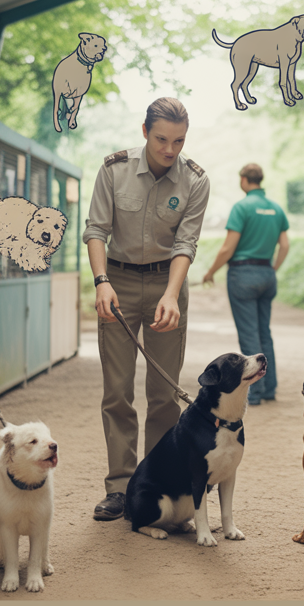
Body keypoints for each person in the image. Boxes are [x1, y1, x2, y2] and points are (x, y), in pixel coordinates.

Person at [83, 97, 210, 521]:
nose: (169, 150)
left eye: (178, 141)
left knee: (163, 394)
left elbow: (185, 243)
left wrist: (171, 295)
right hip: (116, 281)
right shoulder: (114, 169)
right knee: (117, 391)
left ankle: (154, 482)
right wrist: (101, 282)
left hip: (165, 282)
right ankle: (119, 487)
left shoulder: (195, 179)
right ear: (144, 132)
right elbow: (96, 229)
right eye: (161, 139)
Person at [202, 163, 290, 406]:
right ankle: (270, 388)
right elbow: (284, 245)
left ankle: (257, 392)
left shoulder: (241, 207)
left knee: (249, 334)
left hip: (242, 274)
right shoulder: (276, 208)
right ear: (260, 180)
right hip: (266, 273)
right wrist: (273, 268)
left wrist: (211, 271)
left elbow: (229, 247)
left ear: (244, 180)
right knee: (265, 332)